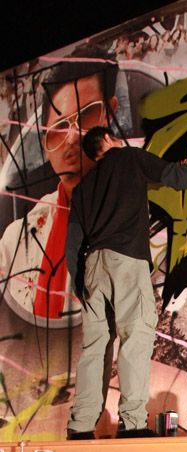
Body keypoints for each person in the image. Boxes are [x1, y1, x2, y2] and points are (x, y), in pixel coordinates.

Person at [65, 126, 187, 440]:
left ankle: (80, 426)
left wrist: (81, 284)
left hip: (93, 266)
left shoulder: (83, 188)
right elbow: (178, 178)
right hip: (126, 259)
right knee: (136, 336)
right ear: (108, 140)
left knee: (94, 346)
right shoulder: (129, 157)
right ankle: (132, 423)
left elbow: (73, 242)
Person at [0, 46, 121, 329]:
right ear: (45, 143)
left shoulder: (151, 213)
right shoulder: (17, 240)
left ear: (110, 112)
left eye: (87, 114)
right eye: (59, 128)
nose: (72, 137)